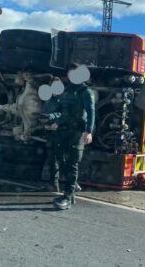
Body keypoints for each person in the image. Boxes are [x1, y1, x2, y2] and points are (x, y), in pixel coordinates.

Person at [52, 64, 95, 210]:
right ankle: (73, 186)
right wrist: (56, 123)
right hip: (63, 130)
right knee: (60, 158)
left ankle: (68, 197)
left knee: (72, 163)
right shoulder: (67, 91)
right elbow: (63, 112)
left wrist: (89, 131)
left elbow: (91, 112)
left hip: (77, 132)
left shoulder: (86, 92)